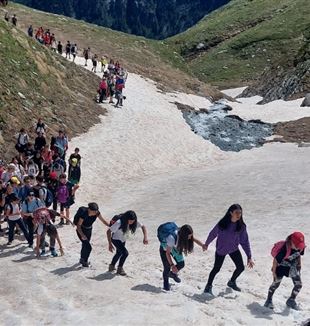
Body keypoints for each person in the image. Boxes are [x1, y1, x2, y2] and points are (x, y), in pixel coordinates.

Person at [203, 204, 254, 296]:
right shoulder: (222, 223)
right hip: (221, 250)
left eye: (240, 213)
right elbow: (213, 233)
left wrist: (249, 256)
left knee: (241, 267)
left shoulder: (241, 226)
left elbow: (245, 241)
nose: (239, 215)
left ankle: (232, 282)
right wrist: (206, 244)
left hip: (233, 249)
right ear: (231, 213)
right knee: (216, 268)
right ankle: (208, 286)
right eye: (236, 212)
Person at [264, 232, 305, 310]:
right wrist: (274, 273)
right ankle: (268, 300)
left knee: (298, 284)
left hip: (293, 267)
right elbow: (275, 260)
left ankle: (291, 300)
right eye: (297, 246)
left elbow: (299, 254)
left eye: (300, 246)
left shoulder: (300, 247)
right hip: (281, 267)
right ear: (291, 242)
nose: (299, 248)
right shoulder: (284, 249)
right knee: (275, 284)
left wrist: (299, 264)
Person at [158, 222, 205, 291]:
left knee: (181, 264)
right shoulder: (171, 238)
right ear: (184, 235)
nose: (190, 237)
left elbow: (193, 239)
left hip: (173, 248)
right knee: (167, 267)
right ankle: (166, 286)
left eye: (191, 235)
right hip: (164, 249)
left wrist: (202, 245)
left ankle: (172, 274)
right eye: (189, 236)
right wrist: (172, 265)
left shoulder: (182, 233)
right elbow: (167, 253)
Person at [107, 211, 148, 276]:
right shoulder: (119, 222)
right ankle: (120, 269)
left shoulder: (134, 222)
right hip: (115, 239)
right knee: (125, 253)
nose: (131, 222)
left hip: (123, 240)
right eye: (130, 221)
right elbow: (108, 231)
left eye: (133, 221)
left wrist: (145, 237)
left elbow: (143, 226)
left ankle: (111, 266)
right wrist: (110, 244)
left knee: (119, 253)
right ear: (126, 219)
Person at [74, 202, 109, 267]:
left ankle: (82, 259)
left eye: (96, 211)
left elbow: (103, 221)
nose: (95, 213)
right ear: (89, 209)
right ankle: (85, 261)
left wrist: (110, 225)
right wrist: (82, 235)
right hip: (81, 230)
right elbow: (78, 226)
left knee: (85, 245)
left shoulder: (97, 213)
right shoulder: (84, 214)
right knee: (89, 247)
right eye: (94, 211)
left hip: (89, 230)